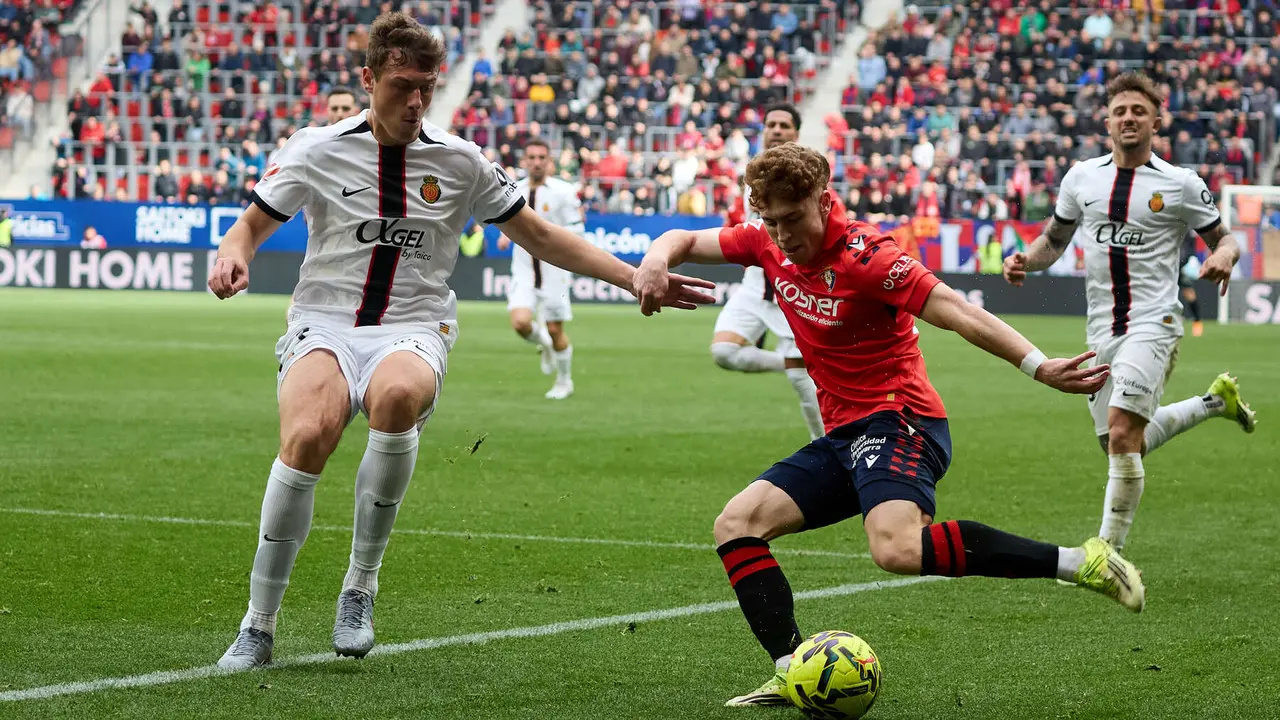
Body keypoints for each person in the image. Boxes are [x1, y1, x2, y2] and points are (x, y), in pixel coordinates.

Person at [209, 12, 714, 671]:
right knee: (308, 436)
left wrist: (632, 276)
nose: (416, 100)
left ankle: (360, 586)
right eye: (402, 85)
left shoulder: (460, 160)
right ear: (368, 79)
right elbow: (248, 226)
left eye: (427, 86)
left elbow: (540, 235)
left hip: (413, 323)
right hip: (325, 320)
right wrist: (231, 254)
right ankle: (259, 623)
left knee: (395, 396)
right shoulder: (316, 149)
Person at [634, 142, 1144, 709]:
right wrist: (657, 258)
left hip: (902, 418)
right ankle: (792, 668)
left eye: (792, 219)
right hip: (845, 433)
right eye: (771, 222)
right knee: (737, 524)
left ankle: (1080, 562)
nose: (781, 235)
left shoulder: (867, 256)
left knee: (895, 548)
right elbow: (684, 240)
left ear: (824, 202)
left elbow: (957, 309)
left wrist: (1038, 364)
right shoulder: (763, 241)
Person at [1004, 72, 1256, 554]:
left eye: (1139, 111)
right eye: (1120, 111)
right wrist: (1024, 262)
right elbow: (1053, 241)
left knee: (1122, 429)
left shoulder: (1180, 184)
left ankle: (1107, 553)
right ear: (1107, 122)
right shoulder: (1082, 177)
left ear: (1156, 122)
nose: (1129, 118)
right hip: (1101, 328)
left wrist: (1224, 256)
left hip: (1154, 321)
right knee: (1123, 443)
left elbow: (1225, 237)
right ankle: (1214, 403)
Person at [710, 104, 824, 440]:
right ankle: (789, 362)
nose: (775, 130)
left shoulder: (809, 177)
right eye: (770, 124)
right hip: (755, 285)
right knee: (723, 351)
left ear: (796, 134)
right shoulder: (751, 176)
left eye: (784, 125)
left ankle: (831, 452)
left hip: (795, 287)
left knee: (804, 386)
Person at [496, 139, 581, 399]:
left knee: (556, 330)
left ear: (549, 162)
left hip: (554, 271)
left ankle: (564, 381)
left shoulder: (564, 192)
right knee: (521, 323)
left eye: (542, 157)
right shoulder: (513, 191)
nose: (536, 162)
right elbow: (506, 221)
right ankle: (544, 344)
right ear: (524, 162)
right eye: (531, 157)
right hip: (524, 270)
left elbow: (577, 230)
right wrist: (505, 235)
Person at [1177, 229, 1204, 336]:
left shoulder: (1187, 230)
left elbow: (1190, 250)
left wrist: (1183, 263)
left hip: (1180, 266)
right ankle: (1166, 321)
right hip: (1167, 267)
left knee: (1189, 293)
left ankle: (1197, 322)